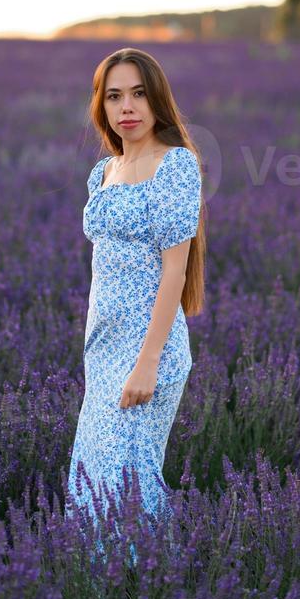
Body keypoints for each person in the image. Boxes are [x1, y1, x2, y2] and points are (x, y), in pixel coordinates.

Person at [65, 47, 207, 565]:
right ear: (100, 106)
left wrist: (146, 362)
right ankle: (100, 594)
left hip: (150, 351)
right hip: (103, 350)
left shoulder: (177, 166)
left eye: (140, 94)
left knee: (128, 473)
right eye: (115, 96)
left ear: (158, 100)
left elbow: (176, 269)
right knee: (95, 472)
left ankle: (153, 583)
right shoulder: (104, 171)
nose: (128, 107)